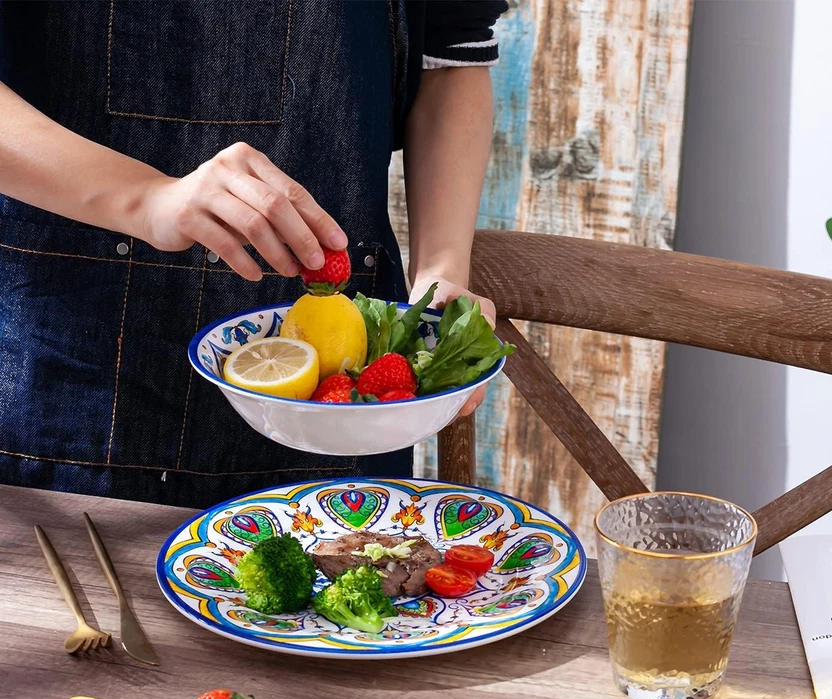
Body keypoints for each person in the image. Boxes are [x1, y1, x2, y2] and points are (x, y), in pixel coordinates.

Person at [0, 0, 507, 507]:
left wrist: (440, 272)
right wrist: (143, 197)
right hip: (60, 367)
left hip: (339, 410)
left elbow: (452, 55)